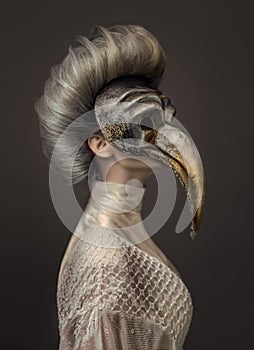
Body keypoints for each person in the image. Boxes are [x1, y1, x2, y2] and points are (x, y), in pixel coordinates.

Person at [34, 24, 206, 350]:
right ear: (99, 142)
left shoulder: (122, 229)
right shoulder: (105, 264)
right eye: (144, 122)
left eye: (166, 118)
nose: (168, 133)